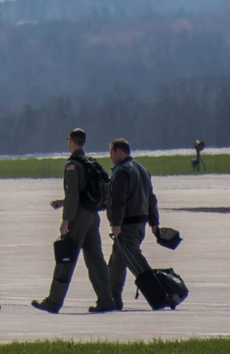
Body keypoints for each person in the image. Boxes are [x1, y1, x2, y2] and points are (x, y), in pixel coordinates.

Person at [32, 128, 115, 314]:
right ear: (83, 143)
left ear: (71, 141)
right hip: (93, 215)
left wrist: (66, 220)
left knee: (66, 257)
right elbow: (81, 193)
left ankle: (53, 302)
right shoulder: (89, 162)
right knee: (96, 259)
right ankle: (106, 299)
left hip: (79, 216)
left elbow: (73, 195)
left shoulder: (73, 165)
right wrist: (63, 203)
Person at [106, 137, 159, 310]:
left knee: (136, 262)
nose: (110, 157)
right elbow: (151, 198)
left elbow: (118, 200)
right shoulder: (143, 170)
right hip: (140, 224)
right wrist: (154, 221)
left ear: (120, 152)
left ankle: (159, 292)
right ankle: (111, 298)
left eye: (112, 153)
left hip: (126, 226)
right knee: (116, 263)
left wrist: (115, 223)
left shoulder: (122, 171)